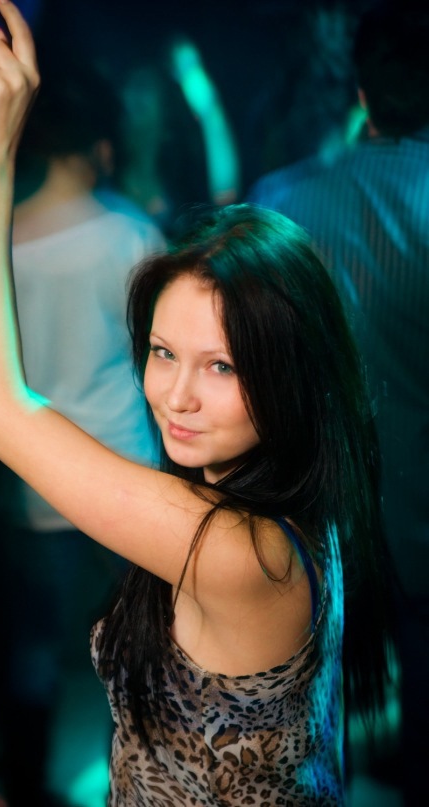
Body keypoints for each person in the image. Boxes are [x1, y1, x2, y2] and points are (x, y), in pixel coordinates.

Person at [0, 3, 392, 805]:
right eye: (161, 353)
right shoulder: (300, 489)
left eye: (221, 366)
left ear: (290, 372)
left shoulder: (241, 551)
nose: (175, 395)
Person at [0, 63, 165, 805]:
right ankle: (134, 782)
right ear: (99, 146)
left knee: (34, 647)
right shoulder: (130, 234)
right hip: (123, 471)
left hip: (36, 472)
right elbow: (156, 354)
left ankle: (25, 785)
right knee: (139, 649)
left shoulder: (1, 234)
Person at [247, 5, 429, 804]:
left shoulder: (281, 203)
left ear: (361, 91)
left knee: (317, 698)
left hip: (311, 505)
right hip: (422, 509)